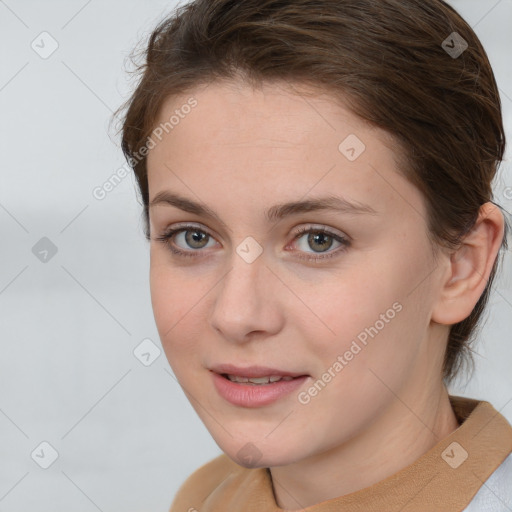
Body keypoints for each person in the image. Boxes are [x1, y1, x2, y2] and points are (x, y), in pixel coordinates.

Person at [116, 0, 512, 509]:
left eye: (317, 240)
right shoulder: (205, 498)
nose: (236, 316)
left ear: (462, 265)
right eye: (193, 237)